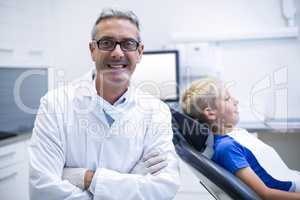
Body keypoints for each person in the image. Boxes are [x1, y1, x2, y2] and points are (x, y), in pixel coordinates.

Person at [29, 8, 180, 200]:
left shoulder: (157, 111)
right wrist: (130, 182)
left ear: (140, 52)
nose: (117, 53)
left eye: (128, 44)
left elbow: (164, 188)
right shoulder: (55, 104)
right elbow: (43, 190)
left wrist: (87, 179)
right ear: (93, 50)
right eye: (107, 43)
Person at [181, 77, 300, 200]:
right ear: (210, 113)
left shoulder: (232, 138)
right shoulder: (227, 148)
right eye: (227, 99)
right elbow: (265, 195)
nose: (236, 101)